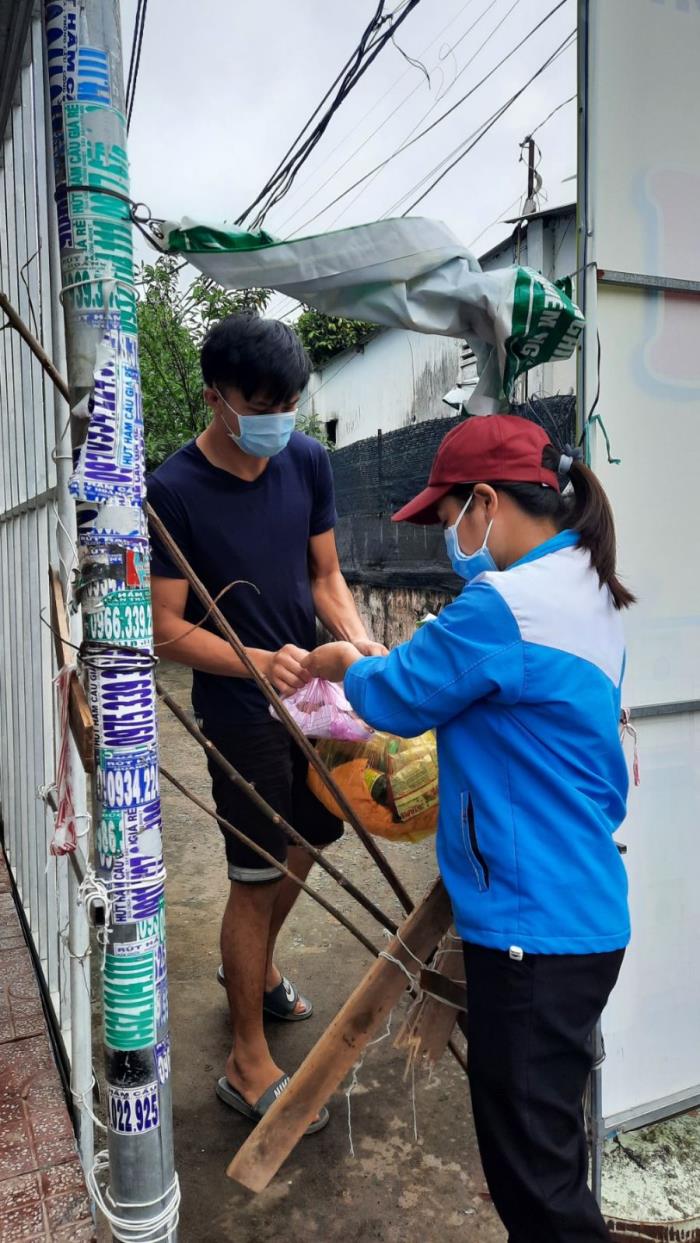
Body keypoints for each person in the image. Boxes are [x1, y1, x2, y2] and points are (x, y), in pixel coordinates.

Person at [304, 414, 632, 1239]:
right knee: (552, 1147)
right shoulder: (591, 587)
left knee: (538, 1192)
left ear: (484, 500)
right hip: (582, 911)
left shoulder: (506, 605)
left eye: (450, 518)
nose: (451, 537)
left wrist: (342, 662)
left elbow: (394, 695)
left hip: (532, 934)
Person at [147, 314, 385, 1133]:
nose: (278, 418)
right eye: (262, 402)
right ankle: (246, 1059)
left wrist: (354, 642)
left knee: (311, 835)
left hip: (315, 695)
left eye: (290, 400)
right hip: (240, 704)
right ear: (216, 400)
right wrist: (254, 658)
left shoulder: (307, 459)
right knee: (252, 874)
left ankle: (255, 969)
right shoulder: (171, 490)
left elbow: (326, 575)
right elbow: (167, 629)